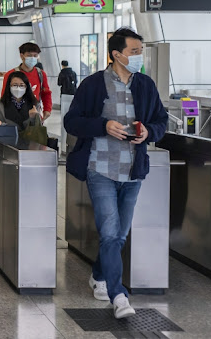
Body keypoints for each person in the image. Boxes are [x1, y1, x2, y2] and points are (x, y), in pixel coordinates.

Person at [64, 28, 168, 319]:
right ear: (116, 55)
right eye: (134, 51)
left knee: (118, 236)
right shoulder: (93, 85)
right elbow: (72, 121)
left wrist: (148, 132)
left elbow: (161, 121)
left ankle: (99, 274)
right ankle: (119, 295)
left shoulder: (145, 85)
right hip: (101, 169)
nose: (139, 56)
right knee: (109, 233)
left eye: (140, 51)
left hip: (133, 171)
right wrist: (102, 126)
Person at [1, 42, 52, 122]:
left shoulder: (41, 74)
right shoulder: (11, 74)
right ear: (22, 56)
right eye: (29, 55)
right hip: (14, 114)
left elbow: (46, 93)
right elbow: (4, 96)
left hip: (35, 113)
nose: (32, 58)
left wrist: (47, 109)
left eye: (35, 56)